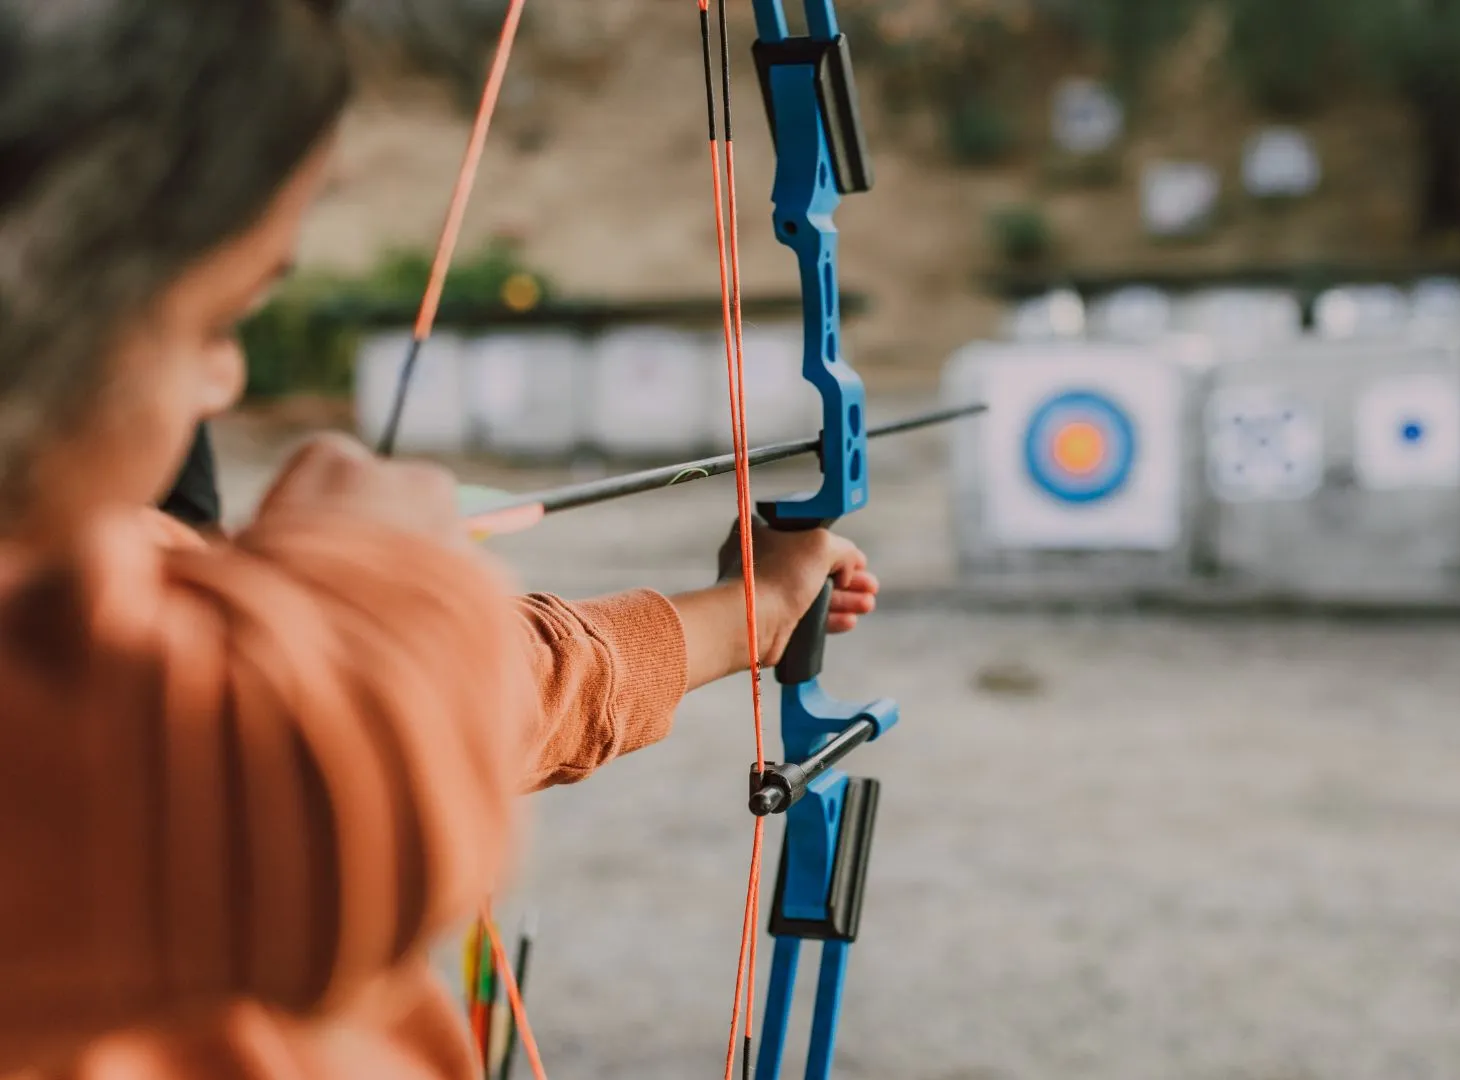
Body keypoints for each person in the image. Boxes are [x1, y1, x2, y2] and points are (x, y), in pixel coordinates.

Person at [0, 2, 879, 1078]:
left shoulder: (110, 607)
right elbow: (332, 746)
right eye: (215, 323)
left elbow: (502, 688)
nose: (225, 381)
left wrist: (750, 613)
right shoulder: (142, 709)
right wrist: (371, 572)